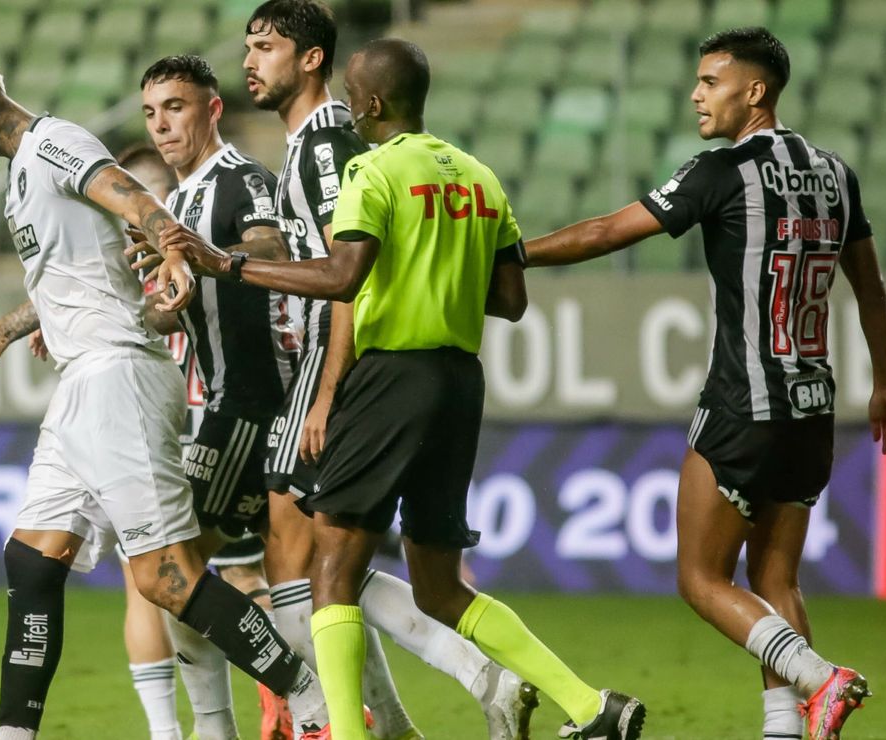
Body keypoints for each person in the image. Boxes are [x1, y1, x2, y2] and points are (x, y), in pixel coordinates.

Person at [169, 37, 646, 740]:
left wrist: (229, 267)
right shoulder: (481, 177)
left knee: (330, 567)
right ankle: (589, 707)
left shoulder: (372, 170)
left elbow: (340, 279)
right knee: (441, 586)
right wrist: (439, 273)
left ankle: (349, 735)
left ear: (366, 102)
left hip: (391, 376)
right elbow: (511, 299)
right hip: (460, 382)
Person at [0, 50, 333, 740]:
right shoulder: (22, 176)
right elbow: (75, 275)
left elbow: (132, 196)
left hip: (119, 381)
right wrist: (6, 329)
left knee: (168, 578)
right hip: (81, 383)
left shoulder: (56, 145)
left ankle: (310, 698)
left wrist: (168, 242)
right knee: (29, 558)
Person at [523, 27, 886, 740]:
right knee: (778, 583)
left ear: (754, 92)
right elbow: (872, 288)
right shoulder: (835, 172)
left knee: (700, 579)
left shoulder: (721, 170)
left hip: (743, 403)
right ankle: (787, 731)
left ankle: (822, 678)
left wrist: (513, 253)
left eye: (711, 82)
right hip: (812, 406)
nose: (697, 95)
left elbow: (609, 231)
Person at [242, 4, 537, 739]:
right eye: (247, 46)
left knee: (307, 553)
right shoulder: (318, 147)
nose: (251, 59)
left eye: (267, 47)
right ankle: (394, 722)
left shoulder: (330, 152)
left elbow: (350, 276)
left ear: (313, 61)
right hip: (359, 365)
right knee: (318, 558)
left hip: (348, 363)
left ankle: (450, 690)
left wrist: (327, 391)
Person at [133, 54, 302, 740]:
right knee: (310, 583)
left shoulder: (239, 179)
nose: (162, 124)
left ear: (212, 109)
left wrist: (206, 257)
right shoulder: (178, 202)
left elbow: (273, 249)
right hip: (238, 409)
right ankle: (364, 716)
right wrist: (153, 304)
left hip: (246, 409)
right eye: (151, 112)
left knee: (171, 573)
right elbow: (178, 310)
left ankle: (296, 699)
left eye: (175, 106)